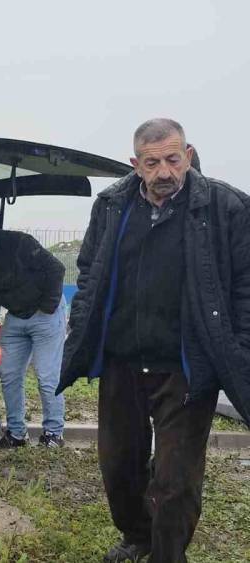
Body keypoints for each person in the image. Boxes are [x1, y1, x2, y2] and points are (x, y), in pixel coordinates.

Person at [58, 118, 250, 563]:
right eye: (152, 163)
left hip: (186, 367)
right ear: (135, 164)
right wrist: (83, 323)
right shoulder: (112, 205)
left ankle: (167, 555)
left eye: (173, 159)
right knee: (118, 466)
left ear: (188, 154)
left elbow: (245, 285)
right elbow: (89, 271)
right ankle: (138, 536)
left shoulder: (227, 207)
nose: (165, 171)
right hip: (122, 361)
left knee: (175, 479)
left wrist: (239, 348)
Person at [0, 205, 67, 448]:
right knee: (9, 374)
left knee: (46, 376)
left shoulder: (18, 242)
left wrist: (47, 306)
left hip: (45, 314)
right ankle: (16, 434)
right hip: (16, 316)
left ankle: (53, 434)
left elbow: (56, 268)